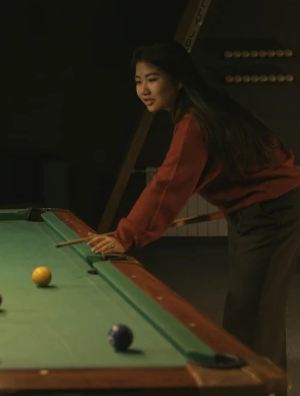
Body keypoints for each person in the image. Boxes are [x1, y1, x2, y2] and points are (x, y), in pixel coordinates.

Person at [88, 40, 300, 372]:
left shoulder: (194, 122)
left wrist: (124, 236)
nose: (143, 89)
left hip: (271, 212)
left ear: (179, 79)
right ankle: (258, 381)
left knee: (252, 311)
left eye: (153, 79)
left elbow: (168, 185)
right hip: (260, 210)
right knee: (253, 308)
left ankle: (255, 385)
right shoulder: (206, 107)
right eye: (138, 81)